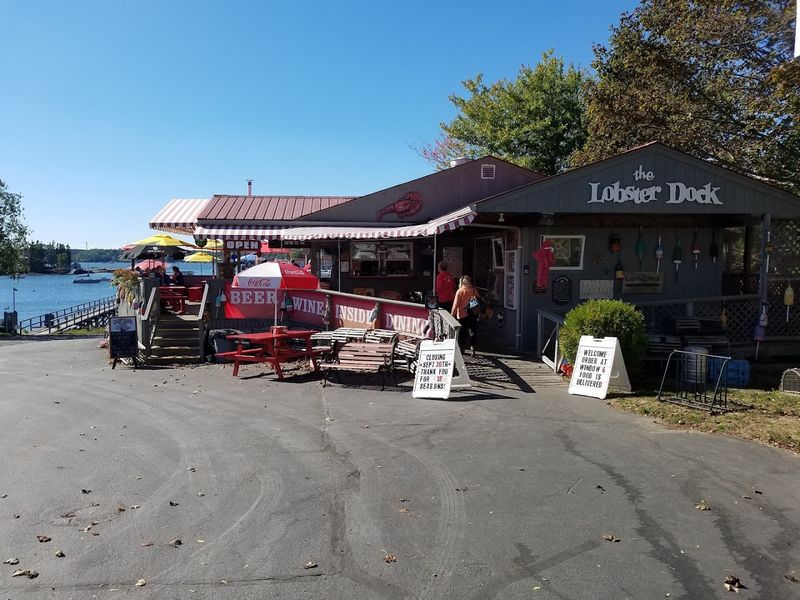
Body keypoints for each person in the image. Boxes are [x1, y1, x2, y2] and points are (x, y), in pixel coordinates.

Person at [451, 275, 480, 356]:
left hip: (462, 314)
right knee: (472, 331)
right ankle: (473, 349)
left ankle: (462, 348)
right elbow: (479, 300)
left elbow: (455, 304)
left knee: (462, 332)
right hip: (472, 313)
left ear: (461, 282)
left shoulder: (460, 291)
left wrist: (452, 315)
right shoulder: (473, 290)